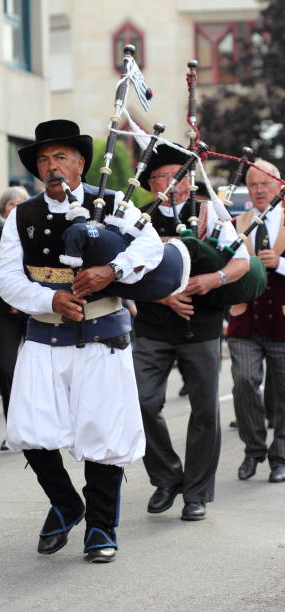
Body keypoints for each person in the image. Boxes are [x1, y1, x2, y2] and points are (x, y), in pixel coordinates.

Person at [0, 119, 165, 563]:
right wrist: (49, 297)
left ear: (82, 163)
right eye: (44, 159)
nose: (52, 167)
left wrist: (113, 270)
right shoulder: (22, 215)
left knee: (102, 433)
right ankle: (68, 505)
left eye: (62, 158)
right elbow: (7, 279)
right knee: (31, 433)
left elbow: (151, 247)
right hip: (44, 337)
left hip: (102, 339)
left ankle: (101, 528)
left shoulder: (112, 203)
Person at [133, 144, 249, 521]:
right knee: (142, 403)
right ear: (151, 184)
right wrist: (165, 296)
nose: (171, 184)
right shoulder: (137, 219)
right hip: (152, 326)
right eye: (162, 177)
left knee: (205, 412)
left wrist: (208, 279)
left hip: (201, 327)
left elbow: (241, 264)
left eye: (177, 176)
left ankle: (196, 492)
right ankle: (167, 478)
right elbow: (126, 273)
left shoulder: (212, 213)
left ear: (189, 180)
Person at [226, 160, 285, 483]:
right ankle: (253, 449)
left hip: (282, 321)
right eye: (253, 185)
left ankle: (281, 456)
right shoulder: (236, 223)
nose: (259, 190)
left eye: (265, 183)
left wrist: (281, 263)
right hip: (244, 320)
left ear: (279, 186)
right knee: (244, 382)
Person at [0, 186, 30, 450]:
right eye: (10, 204)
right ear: (3, 210)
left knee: (39, 369)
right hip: (4, 310)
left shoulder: (39, 233)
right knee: (6, 369)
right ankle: (12, 429)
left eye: (21, 203)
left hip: (37, 310)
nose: (15, 207)